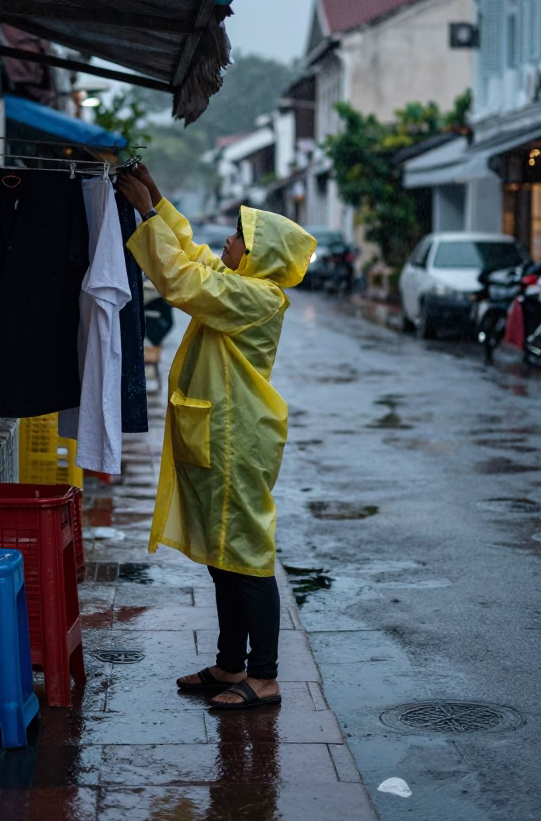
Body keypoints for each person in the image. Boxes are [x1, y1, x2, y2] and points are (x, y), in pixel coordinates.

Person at [117, 164, 316, 711]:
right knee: (223, 554)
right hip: (218, 435)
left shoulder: (258, 297)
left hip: (238, 439)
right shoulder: (240, 282)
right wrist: (158, 197)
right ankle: (232, 663)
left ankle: (265, 677)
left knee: (247, 554)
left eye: (238, 237)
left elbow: (182, 280)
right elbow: (194, 257)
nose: (227, 241)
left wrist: (148, 213)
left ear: (256, 257)